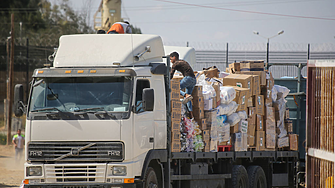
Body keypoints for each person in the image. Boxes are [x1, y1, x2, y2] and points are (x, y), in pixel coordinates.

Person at [170, 52, 196, 119]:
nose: (171, 61)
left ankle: (185, 95)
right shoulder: (183, 61)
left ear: (174, 57)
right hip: (193, 80)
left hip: (188, 78)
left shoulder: (175, 64)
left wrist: (167, 81)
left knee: (175, 88)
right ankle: (191, 114)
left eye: (171, 59)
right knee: (188, 99)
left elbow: (171, 74)